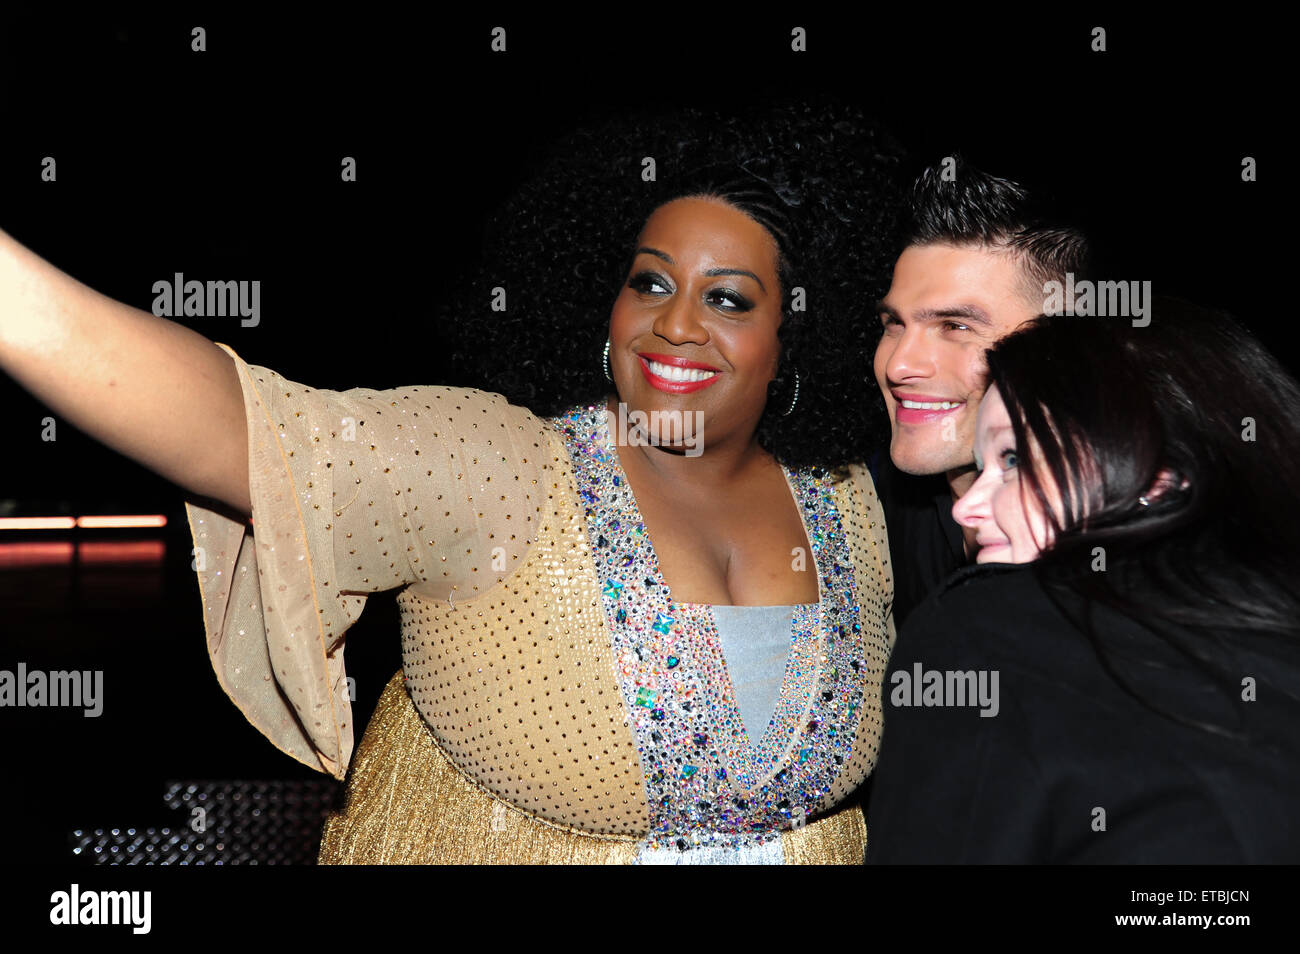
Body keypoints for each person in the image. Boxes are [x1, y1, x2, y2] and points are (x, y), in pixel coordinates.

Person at [0, 102, 906, 863]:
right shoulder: (505, 469)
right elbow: (249, 429)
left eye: (728, 299)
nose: (673, 326)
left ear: (797, 336)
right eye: (648, 282)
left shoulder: (846, 497)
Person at [865, 303, 1300, 863]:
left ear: (1159, 480)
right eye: (982, 464)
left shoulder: (986, 631)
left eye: (1015, 458)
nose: (967, 508)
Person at [872, 157, 1091, 628]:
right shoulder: (861, 515)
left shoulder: (1117, 559)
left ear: (1064, 348)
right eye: (893, 324)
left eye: (955, 325)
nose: (898, 365)